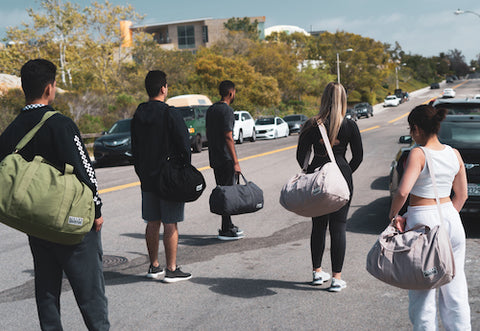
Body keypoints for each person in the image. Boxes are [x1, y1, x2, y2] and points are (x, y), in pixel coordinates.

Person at [0, 59, 109, 330]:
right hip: (71, 224)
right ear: (50, 88)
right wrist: (96, 210)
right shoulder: (60, 123)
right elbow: (86, 170)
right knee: (90, 294)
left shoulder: (12, 129)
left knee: (47, 292)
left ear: (25, 88)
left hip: (37, 224)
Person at [389, 104, 471, 330]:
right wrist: (446, 216)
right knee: (455, 288)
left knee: (423, 290)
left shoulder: (418, 152)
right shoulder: (454, 153)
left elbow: (403, 191)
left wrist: (394, 215)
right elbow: (462, 194)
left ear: (415, 128)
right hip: (451, 220)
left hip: (423, 222)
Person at [296, 82, 363, 291]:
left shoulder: (311, 124)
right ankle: (336, 278)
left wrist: (313, 172)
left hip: (318, 175)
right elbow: (358, 157)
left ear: (324, 98)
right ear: (343, 99)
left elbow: (301, 155)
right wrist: (343, 173)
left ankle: (317, 273)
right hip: (341, 174)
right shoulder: (350, 125)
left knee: (318, 225)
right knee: (339, 226)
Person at [131, 70, 192, 283]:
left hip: (147, 177)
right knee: (171, 223)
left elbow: (135, 148)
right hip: (169, 178)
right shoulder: (170, 113)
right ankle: (172, 269)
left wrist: (141, 172)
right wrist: (184, 169)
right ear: (163, 88)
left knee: (152, 221)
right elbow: (185, 145)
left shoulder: (139, 114)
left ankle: (154, 266)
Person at [206, 80, 245, 240]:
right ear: (231, 93)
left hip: (215, 158)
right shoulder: (227, 111)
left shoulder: (211, 110)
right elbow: (228, 136)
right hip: (226, 159)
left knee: (223, 191)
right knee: (228, 193)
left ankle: (227, 224)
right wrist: (236, 162)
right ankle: (226, 229)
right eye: (234, 92)